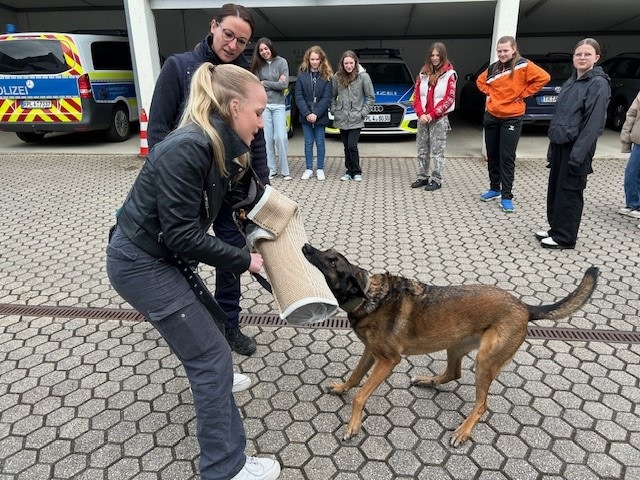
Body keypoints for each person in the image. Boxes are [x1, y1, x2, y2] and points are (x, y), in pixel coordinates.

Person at [107, 63, 281, 480]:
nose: (262, 123)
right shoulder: (187, 147)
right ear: (234, 106)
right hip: (140, 263)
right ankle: (225, 468)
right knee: (211, 359)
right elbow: (183, 236)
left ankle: (215, 382)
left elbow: (236, 199)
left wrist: (269, 224)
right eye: (258, 112)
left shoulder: (217, 145)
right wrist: (245, 260)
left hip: (157, 258)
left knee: (208, 335)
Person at [147, 3, 262, 356]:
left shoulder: (244, 75)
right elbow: (158, 132)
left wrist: (262, 186)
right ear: (213, 26)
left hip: (229, 190)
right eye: (228, 34)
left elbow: (254, 136)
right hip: (187, 191)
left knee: (233, 255)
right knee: (185, 260)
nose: (233, 45)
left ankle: (228, 323)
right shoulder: (179, 68)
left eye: (242, 41)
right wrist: (170, 186)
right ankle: (190, 327)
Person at [535, 38, 610, 249]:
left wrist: (578, 155)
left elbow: (593, 124)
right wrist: (552, 148)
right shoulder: (571, 81)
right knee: (556, 190)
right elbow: (559, 116)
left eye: (587, 54)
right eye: (579, 54)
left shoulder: (598, 84)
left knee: (569, 192)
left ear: (596, 57)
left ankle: (565, 237)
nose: (582, 58)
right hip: (560, 145)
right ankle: (555, 229)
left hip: (577, 147)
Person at [476, 36, 550, 213]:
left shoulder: (524, 65)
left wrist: (523, 93)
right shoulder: (494, 67)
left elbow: (544, 77)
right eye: (499, 51)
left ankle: (507, 195)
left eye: (505, 50)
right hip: (492, 116)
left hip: (512, 117)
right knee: (492, 155)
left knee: (506, 157)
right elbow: (479, 81)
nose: (502, 54)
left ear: (514, 49)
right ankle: (494, 188)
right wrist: (492, 93)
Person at [410, 42, 457, 191]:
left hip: (439, 119)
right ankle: (422, 177)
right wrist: (420, 113)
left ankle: (436, 179)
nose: (435, 58)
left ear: (443, 56)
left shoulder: (450, 74)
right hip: (422, 118)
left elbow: (449, 98)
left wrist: (432, 114)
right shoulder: (423, 74)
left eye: (438, 55)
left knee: (438, 151)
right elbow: (416, 96)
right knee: (422, 149)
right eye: (432, 55)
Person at [330, 50, 375, 181]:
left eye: (351, 63)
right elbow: (332, 96)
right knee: (346, 146)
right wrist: (334, 109)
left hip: (356, 117)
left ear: (355, 63)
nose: (349, 66)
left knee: (352, 145)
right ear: (342, 64)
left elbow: (370, 97)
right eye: (346, 63)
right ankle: (348, 171)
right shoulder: (337, 77)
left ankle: (356, 171)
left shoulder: (363, 77)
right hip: (341, 117)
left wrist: (363, 113)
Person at [251, 37, 291, 180]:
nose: (264, 52)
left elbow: (283, 85)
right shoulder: (257, 65)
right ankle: (271, 170)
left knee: (281, 137)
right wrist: (274, 83)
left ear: (270, 48)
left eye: (266, 49)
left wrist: (265, 83)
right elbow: (256, 85)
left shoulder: (282, 62)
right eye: (261, 50)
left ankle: (285, 171)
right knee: (267, 139)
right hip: (264, 106)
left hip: (279, 105)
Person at [295, 45, 333, 181]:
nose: (315, 62)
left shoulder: (327, 76)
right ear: (308, 60)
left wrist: (316, 113)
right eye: (312, 59)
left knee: (320, 142)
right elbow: (298, 96)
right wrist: (307, 113)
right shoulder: (302, 75)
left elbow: (327, 97)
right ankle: (309, 168)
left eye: (317, 59)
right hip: (305, 114)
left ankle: (320, 169)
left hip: (320, 114)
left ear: (321, 60)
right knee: (308, 142)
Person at [619, 89, 640, 219]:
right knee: (631, 174)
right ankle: (633, 204)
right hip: (638, 141)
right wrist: (626, 139)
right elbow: (631, 114)